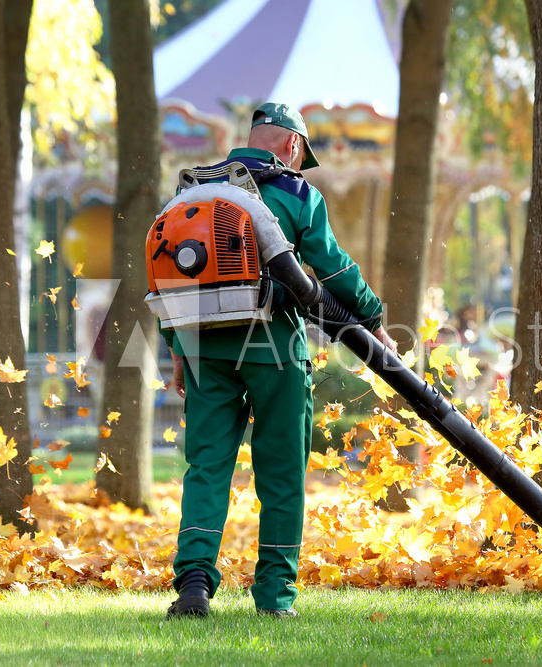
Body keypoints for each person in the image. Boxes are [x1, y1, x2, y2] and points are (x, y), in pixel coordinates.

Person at [160, 102, 396, 619]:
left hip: (202, 347)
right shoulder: (295, 192)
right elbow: (332, 271)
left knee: (206, 467)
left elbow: (170, 272)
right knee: (282, 470)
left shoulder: (190, 192)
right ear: (292, 145)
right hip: (274, 347)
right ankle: (274, 597)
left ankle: (195, 581)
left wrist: (176, 350)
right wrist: (373, 318)